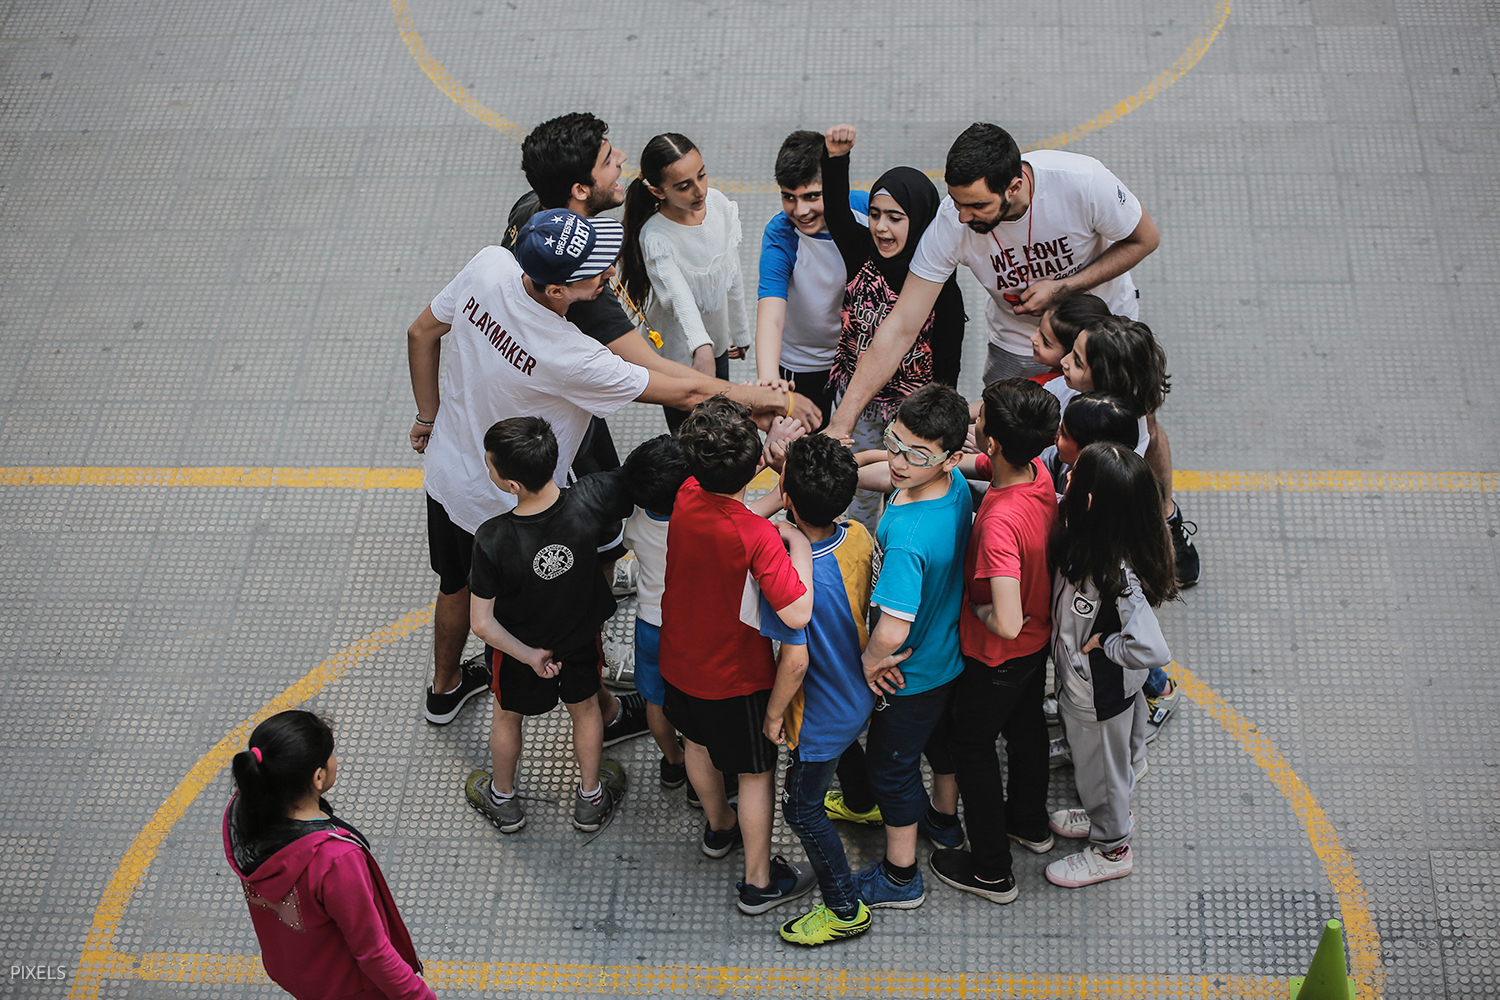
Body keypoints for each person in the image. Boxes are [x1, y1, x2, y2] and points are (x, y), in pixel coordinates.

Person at [415, 115, 822, 732]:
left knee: (455, 584)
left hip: (450, 470)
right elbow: (677, 383)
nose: (606, 278)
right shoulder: (572, 354)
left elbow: (422, 332)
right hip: (515, 504)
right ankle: (600, 709)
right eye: (594, 275)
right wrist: (771, 400)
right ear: (557, 289)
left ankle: (442, 691)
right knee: (566, 608)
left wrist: (428, 416)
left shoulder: (493, 265)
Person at [822, 121, 1166, 507]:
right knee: (1004, 443)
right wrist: (842, 420)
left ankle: (1163, 512)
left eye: (977, 205)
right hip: (1017, 342)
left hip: (1099, 333)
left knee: (1134, 431)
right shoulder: (952, 223)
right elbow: (901, 326)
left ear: (1015, 186)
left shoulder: (1081, 182)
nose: (964, 217)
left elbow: (1145, 238)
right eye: (957, 202)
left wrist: (1065, 288)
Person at [659, 396, 818, 915]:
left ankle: (718, 827)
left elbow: (737, 510)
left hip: (680, 659)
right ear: (753, 464)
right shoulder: (757, 537)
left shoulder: (686, 494)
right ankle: (758, 881)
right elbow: (796, 612)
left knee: (698, 746)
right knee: (755, 773)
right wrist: (795, 544)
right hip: (735, 676)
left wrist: (771, 492)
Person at [462, 417, 639, 834]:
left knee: (507, 716)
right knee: (586, 710)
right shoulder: (589, 499)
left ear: (511, 485)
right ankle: (591, 799)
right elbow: (639, 475)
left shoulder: (491, 539)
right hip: (580, 639)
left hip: (520, 653)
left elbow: (482, 624)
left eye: (490, 465)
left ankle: (503, 799)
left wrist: (529, 656)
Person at [927, 378, 1059, 905]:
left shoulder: (1000, 521)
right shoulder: (1036, 474)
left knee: (973, 747)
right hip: (1036, 646)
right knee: (1025, 729)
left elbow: (1005, 620)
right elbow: (974, 465)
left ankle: (990, 870)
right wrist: (924, 458)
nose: (973, 423)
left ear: (995, 441)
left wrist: (976, 604)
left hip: (999, 653)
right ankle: (1029, 823)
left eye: (979, 420)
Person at [758, 435, 894, 945]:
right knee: (846, 748)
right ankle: (861, 802)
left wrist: (774, 716)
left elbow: (794, 663)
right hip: (859, 691)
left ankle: (843, 908)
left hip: (816, 714)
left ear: (787, 495)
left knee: (801, 808)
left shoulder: (789, 573)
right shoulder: (858, 532)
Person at [847, 383, 973, 911]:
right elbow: (889, 478)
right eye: (895, 443)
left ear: (950, 456)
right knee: (940, 749)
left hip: (908, 673)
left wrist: (869, 661)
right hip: (945, 656)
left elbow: (893, 628)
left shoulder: (907, 540)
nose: (898, 461)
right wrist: (844, 473)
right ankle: (944, 824)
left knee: (891, 770)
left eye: (916, 454)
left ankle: (901, 878)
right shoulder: (953, 486)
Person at [224, 711, 434, 1000]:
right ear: (318, 777)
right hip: (348, 987)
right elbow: (373, 952)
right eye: (331, 754)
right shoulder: (335, 859)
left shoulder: (242, 811)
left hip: (298, 969)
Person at [819, 124, 965, 531]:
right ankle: (861, 541)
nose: (882, 228)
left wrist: (942, 421)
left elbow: (947, 365)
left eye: (896, 218)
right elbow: (834, 209)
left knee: (908, 484)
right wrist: (836, 157)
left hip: (912, 410)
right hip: (858, 397)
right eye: (876, 215)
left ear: (918, 219)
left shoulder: (940, 286)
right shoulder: (860, 249)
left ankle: (896, 544)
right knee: (860, 487)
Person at [1045, 442, 1177, 887]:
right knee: (1110, 766)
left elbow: (1152, 650)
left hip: (1098, 696)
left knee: (1101, 768)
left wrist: (1108, 646)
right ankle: (1108, 806)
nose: (1066, 476)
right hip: (1097, 690)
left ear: (1089, 501)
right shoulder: (1093, 542)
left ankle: (1112, 846)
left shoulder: (1116, 575)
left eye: (1074, 476)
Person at [620, 134, 752, 432]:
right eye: (684, 185)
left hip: (714, 345)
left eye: (702, 175)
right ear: (657, 191)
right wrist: (700, 346)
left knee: (724, 428)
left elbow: (731, 272)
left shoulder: (717, 204)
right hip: (679, 356)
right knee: (690, 437)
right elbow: (680, 298)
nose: (699, 190)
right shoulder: (655, 235)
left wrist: (740, 330)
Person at [1057, 314, 1199, 588]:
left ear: (1103, 379)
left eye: (1077, 361)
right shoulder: (1082, 390)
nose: (1063, 362)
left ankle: (1165, 519)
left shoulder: (1112, 453)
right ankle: (1166, 515)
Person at [753, 130, 871, 425]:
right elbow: (771, 317)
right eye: (788, 197)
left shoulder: (867, 210)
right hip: (802, 364)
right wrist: (770, 382)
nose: (800, 210)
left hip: (858, 360)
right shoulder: (781, 234)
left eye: (812, 196)